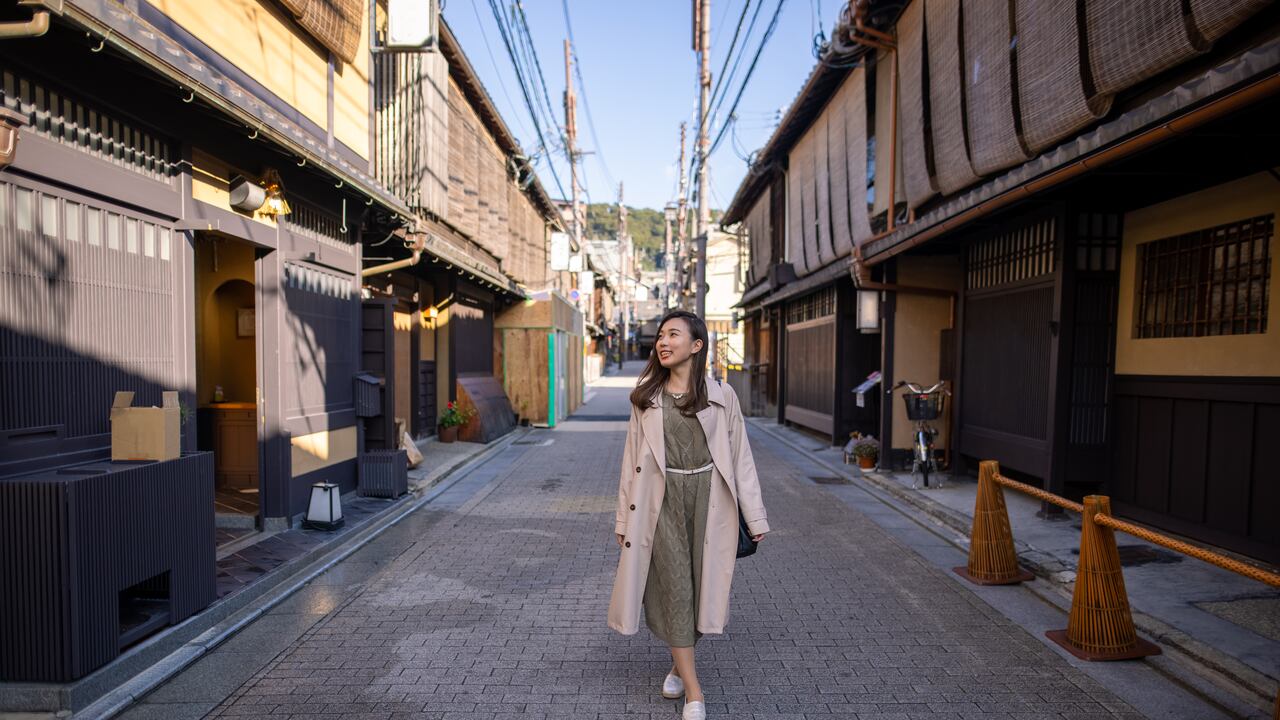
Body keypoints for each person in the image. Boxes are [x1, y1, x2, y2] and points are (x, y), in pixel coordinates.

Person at [607, 310, 770, 720]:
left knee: (702, 588)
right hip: (661, 503)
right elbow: (631, 463)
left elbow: (740, 459)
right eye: (660, 335)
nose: (662, 342)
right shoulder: (646, 396)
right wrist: (623, 520)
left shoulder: (723, 395)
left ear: (696, 345)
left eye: (673, 335)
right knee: (676, 589)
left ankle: (679, 664)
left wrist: (756, 516)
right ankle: (694, 691)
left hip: (710, 500)